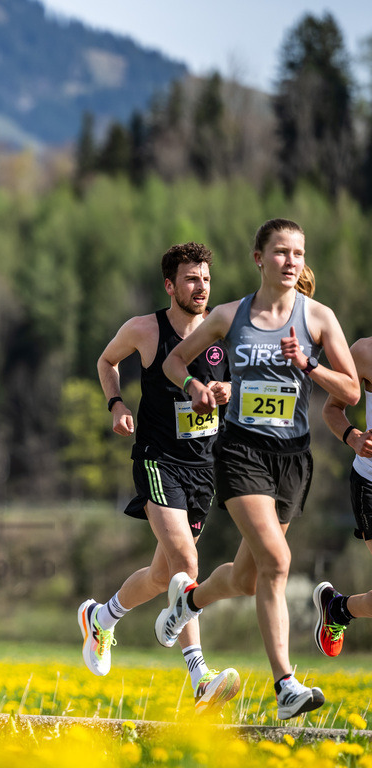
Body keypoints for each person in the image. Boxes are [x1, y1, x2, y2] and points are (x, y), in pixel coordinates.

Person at [158, 218, 360, 720]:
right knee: (278, 560)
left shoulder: (318, 319)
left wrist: (309, 366)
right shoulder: (229, 316)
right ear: (259, 258)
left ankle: (189, 601)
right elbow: (174, 361)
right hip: (240, 452)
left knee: (250, 578)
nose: (291, 262)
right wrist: (196, 388)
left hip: (292, 459)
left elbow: (352, 391)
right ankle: (286, 684)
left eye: (298, 253)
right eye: (280, 252)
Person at [83, 242, 240, 715]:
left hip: (202, 467)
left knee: (160, 574)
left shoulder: (222, 331)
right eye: (192, 279)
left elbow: (239, 383)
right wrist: (116, 404)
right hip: (156, 459)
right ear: (170, 285)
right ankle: (200, 677)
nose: (201, 287)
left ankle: (101, 617)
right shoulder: (145, 329)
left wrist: (226, 390)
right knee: (186, 560)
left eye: (206, 279)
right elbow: (105, 362)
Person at [313, 335, 372, 656]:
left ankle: (339, 609)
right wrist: (353, 437)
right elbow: (332, 409)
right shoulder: (364, 352)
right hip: (370, 481)